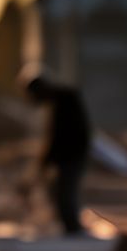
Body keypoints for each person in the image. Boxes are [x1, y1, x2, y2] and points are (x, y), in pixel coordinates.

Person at [23, 72, 91, 235]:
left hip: (72, 156)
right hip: (71, 156)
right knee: (61, 193)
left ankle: (73, 231)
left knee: (65, 195)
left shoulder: (65, 102)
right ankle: (70, 229)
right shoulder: (62, 101)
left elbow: (59, 137)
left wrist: (46, 161)